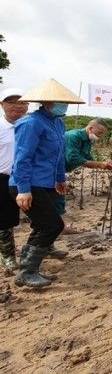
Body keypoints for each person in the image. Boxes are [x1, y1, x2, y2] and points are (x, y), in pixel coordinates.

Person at [9, 79, 85, 287]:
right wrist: (23, 190)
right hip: (28, 183)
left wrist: (60, 178)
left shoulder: (57, 122)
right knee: (53, 225)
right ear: (47, 101)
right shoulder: (30, 123)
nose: (65, 106)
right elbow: (22, 158)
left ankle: (27, 270)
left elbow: (58, 155)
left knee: (43, 224)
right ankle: (27, 271)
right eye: (61, 102)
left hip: (46, 183)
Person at [53, 118, 112, 236]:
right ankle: (54, 228)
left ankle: (60, 227)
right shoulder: (73, 136)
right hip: (52, 170)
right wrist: (100, 164)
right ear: (90, 128)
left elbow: (87, 157)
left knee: (59, 198)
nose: (100, 136)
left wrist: (105, 164)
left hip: (60, 171)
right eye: (99, 133)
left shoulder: (87, 140)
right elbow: (73, 158)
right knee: (55, 197)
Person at [0, 88, 28, 271]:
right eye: (11, 102)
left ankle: (44, 248)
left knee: (41, 216)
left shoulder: (30, 125)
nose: (17, 106)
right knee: (4, 220)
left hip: (27, 178)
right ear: (2, 105)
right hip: (3, 178)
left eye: (22, 102)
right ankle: (8, 256)